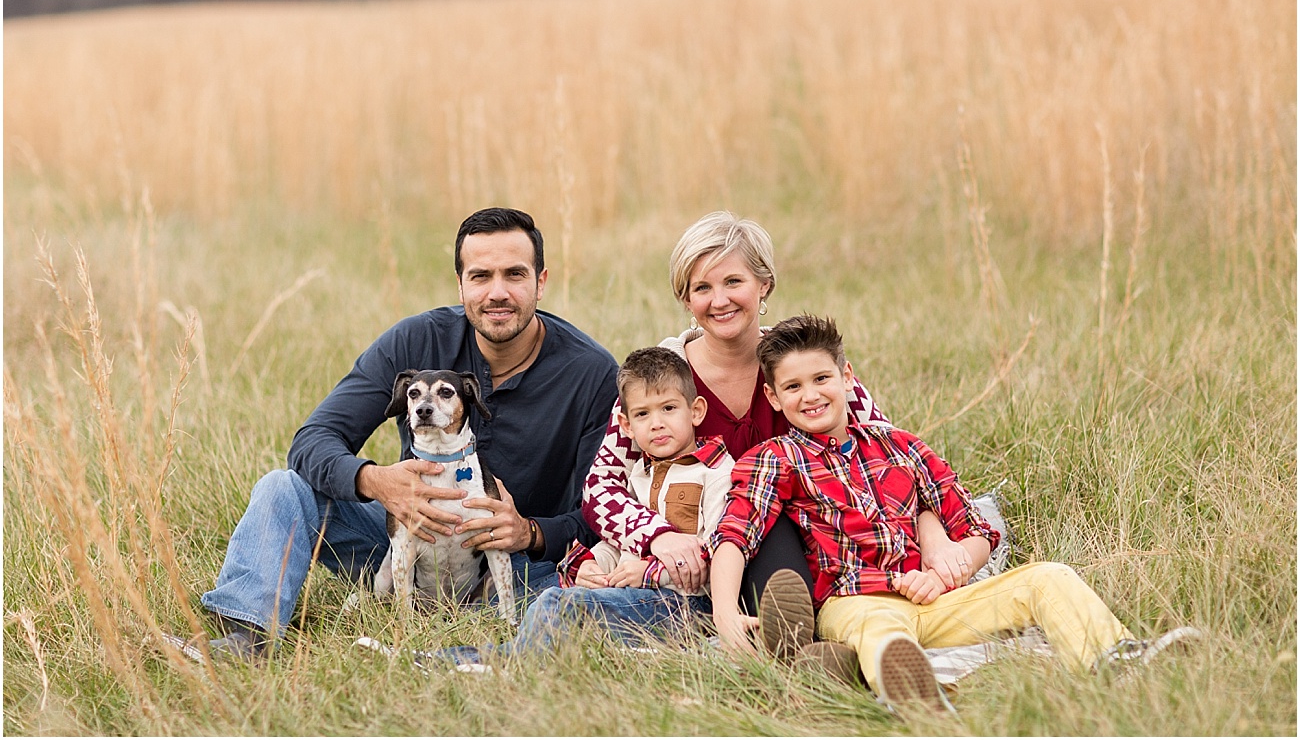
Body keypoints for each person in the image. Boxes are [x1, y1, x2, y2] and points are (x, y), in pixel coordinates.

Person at [184, 207, 619, 660]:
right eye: (480, 276)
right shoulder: (414, 340)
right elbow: (314, 440)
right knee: (283, 488)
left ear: (540, 282)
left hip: (515, 563)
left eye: (514, 274)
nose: (497, 292)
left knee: (578, 603)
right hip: (403, 544)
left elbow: (601, 512)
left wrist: (529, 532)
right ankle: (246, 636)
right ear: (460, 284)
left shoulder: (591, 373)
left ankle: (472, 656)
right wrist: (377, 482)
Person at [708, 314, 1201, 711]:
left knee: (1047, 577)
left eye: (821, 379)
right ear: (774, 397)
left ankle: (1114, 661)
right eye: (793, 387)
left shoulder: (901, 447)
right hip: (856, 601)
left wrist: (952, 567)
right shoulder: (776, 458)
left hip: (936, 601)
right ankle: (919, 698)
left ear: (847, 377)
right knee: (881, 632)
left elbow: (976, 527)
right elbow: (735, 535)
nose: (811, 395)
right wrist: (727, 613)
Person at [580, 211, 970, 673]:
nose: (719, 300)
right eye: (702, 287)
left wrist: (932, 532)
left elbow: (892, 461)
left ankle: (816, 645)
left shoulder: (799, 366)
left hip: (827, 538)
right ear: (686, 298)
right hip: (709, 545)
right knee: (758, 532)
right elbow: (602, 485)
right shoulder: (663, 378)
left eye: (733, 282)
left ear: (764, 285)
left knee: (790, 529)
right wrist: (659, 536)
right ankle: (794, 642)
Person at [427, 346, 734, 667]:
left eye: (669, 408)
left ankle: (486, 664)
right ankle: (471, 660)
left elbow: (717, 558)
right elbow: (619, 545)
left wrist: (649, 573)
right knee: (547, 596)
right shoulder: (640, 473)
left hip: (684, 605)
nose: (657, 423)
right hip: (634, 595)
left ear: (696, 411)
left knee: (562, 607)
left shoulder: (715, 473)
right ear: (627, 426)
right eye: (643, 414)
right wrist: (593, 565)